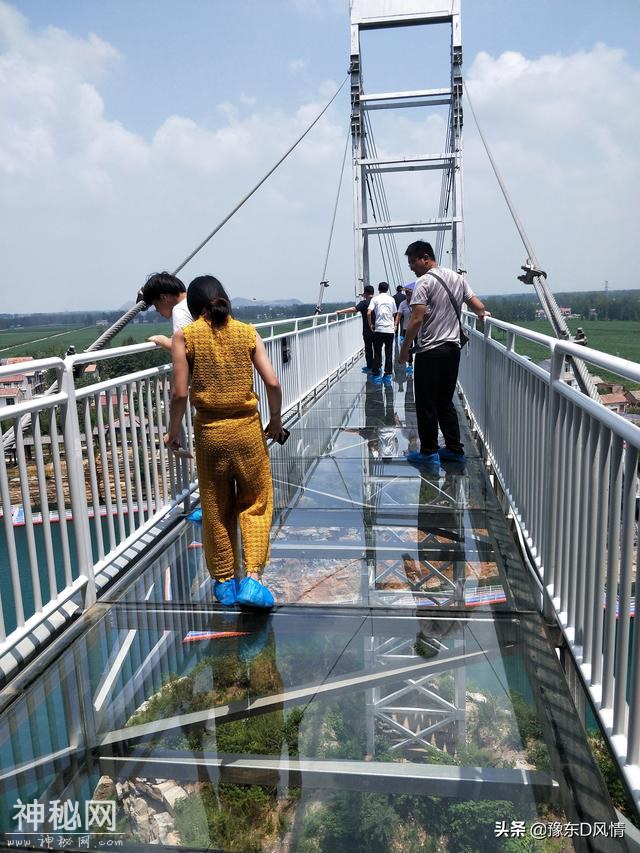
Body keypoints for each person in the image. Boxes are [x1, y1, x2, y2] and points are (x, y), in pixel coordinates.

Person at [165, 274, 285, 609]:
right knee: (256, 502)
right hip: (247, 430)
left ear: (192, 307)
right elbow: (272, 383)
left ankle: (224, 584)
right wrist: (274, 420)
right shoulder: (247, 332)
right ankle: (254, 580)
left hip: (209, 434)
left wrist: (173, 432)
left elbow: (179, 394)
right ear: (225, 300)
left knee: (217, 508)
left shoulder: (184, 337)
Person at [398, 240, 490, 466]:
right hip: (452, 349)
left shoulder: (424, 282)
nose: (411, 267)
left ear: (425, 258)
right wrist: (483, 313)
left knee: (426, 402)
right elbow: (476, 304)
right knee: (445, 402)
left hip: (430, 351)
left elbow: (417, 318)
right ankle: (454, 449)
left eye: (413, 262)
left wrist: (404, 351)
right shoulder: (457, 277)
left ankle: (428, 451)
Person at [140, 271, 194, 351]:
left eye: (156, 305)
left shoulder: (180, 310)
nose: (157, 310)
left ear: (163, 298)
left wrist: (162, 340)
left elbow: (183, 349)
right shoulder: (193, 300)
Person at [336, 285, 376, 373]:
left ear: (365, 293)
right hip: (379, 329)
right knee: (377, 349)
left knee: (368, 348)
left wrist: (340, 311)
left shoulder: (364, 303)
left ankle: (370, 366)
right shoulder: (377, 301)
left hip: (367, 330)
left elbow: (353, 309)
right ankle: (377, 366)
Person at [367, 281, 397, 386]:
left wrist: (371, 324)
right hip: (389, 329)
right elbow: (394, 313)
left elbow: (369, 312)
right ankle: (387, 374)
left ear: (378, 289)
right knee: (389, 352)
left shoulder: (375, 299)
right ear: (387, 289)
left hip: (379, 329)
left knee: (378, 351)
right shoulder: (391, 299)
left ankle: (376, 372)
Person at [395, 282, 415, 375]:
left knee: (419, 346)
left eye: (409, 293)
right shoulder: (403, 304)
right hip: (407, 328)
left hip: (417, 329)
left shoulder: (417, 302)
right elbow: (399, 315)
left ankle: (419, 363)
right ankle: (410, 364)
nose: (408, 295)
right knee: (409, 347)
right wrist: (395, 325)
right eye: (406, 293)